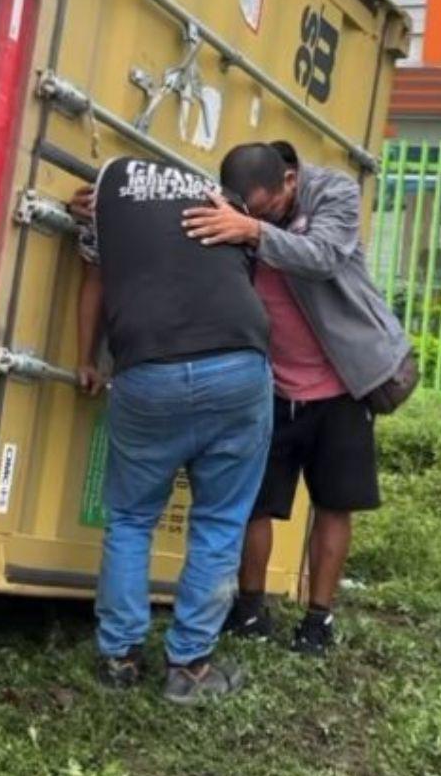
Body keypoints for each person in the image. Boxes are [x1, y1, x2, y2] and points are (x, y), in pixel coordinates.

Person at [182, 141, 412, 654]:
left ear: (290, 181)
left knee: (334, 504)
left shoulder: (333, 192)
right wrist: (98, 208)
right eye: (247, 211)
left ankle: (318, 621)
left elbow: (325, 257)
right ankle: (249, 610)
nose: (255, 219)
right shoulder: (233, 209)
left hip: (342, 386)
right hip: (270, 387)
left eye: (267, 210)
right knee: (255, 504)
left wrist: (254, 231)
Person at [73, 157, 273, 704]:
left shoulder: (104, 200)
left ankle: (119, 658)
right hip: (236, 366)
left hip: (148, 372)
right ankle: (189, 668)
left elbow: (93, 281)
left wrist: (85, 359)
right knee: (218, 522)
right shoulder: (220, 197)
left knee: (132, 518)